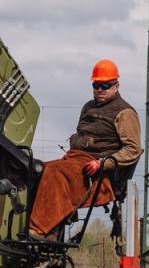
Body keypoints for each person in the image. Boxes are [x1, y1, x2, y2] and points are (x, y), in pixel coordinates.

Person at [28, 59, 142, 237]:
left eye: (105, 85)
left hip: (97, 171)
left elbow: (133, 150)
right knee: (39, 169)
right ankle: (47, 226)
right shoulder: (88, 107)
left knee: (57, 173)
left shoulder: (125, 113)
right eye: (96, 85)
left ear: (116, 86)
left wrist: (103, 163)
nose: (100, 89)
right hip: (75, 159)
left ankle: (39, 230)